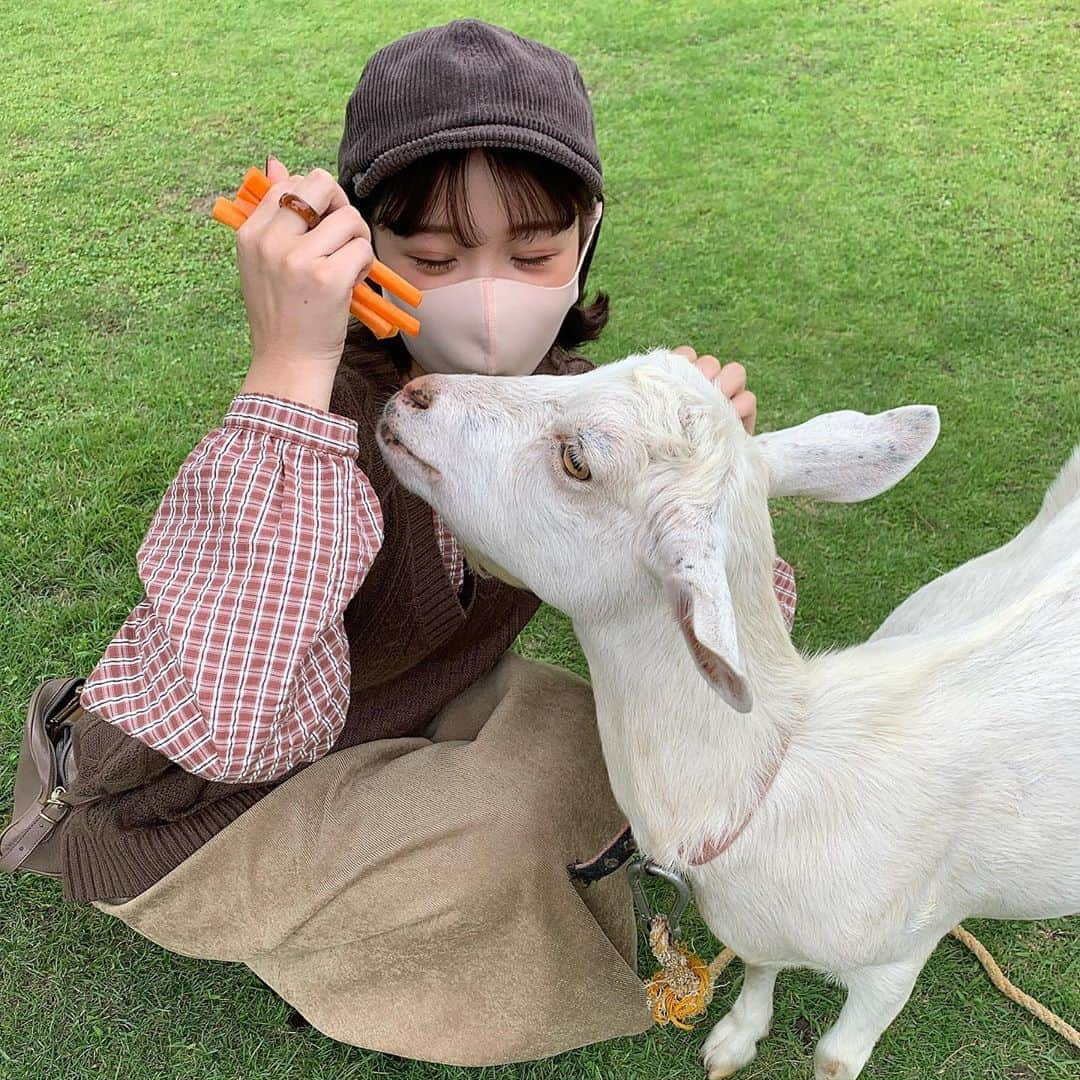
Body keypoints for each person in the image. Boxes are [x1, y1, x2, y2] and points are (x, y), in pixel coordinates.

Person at [49, 19, 795, 1066]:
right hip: (199, 813)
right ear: (358, 249)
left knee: (593, 730)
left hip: (380, 715)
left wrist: (703, 487)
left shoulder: (563, 417)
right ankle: (376, 957)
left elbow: (696, 663)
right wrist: (285, 371)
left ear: (585, 239)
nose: (488, 303)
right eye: (434, 256)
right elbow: (232, 727)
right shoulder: (313, 425)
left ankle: (432, 854)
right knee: (492, 839)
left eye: (532, 252)